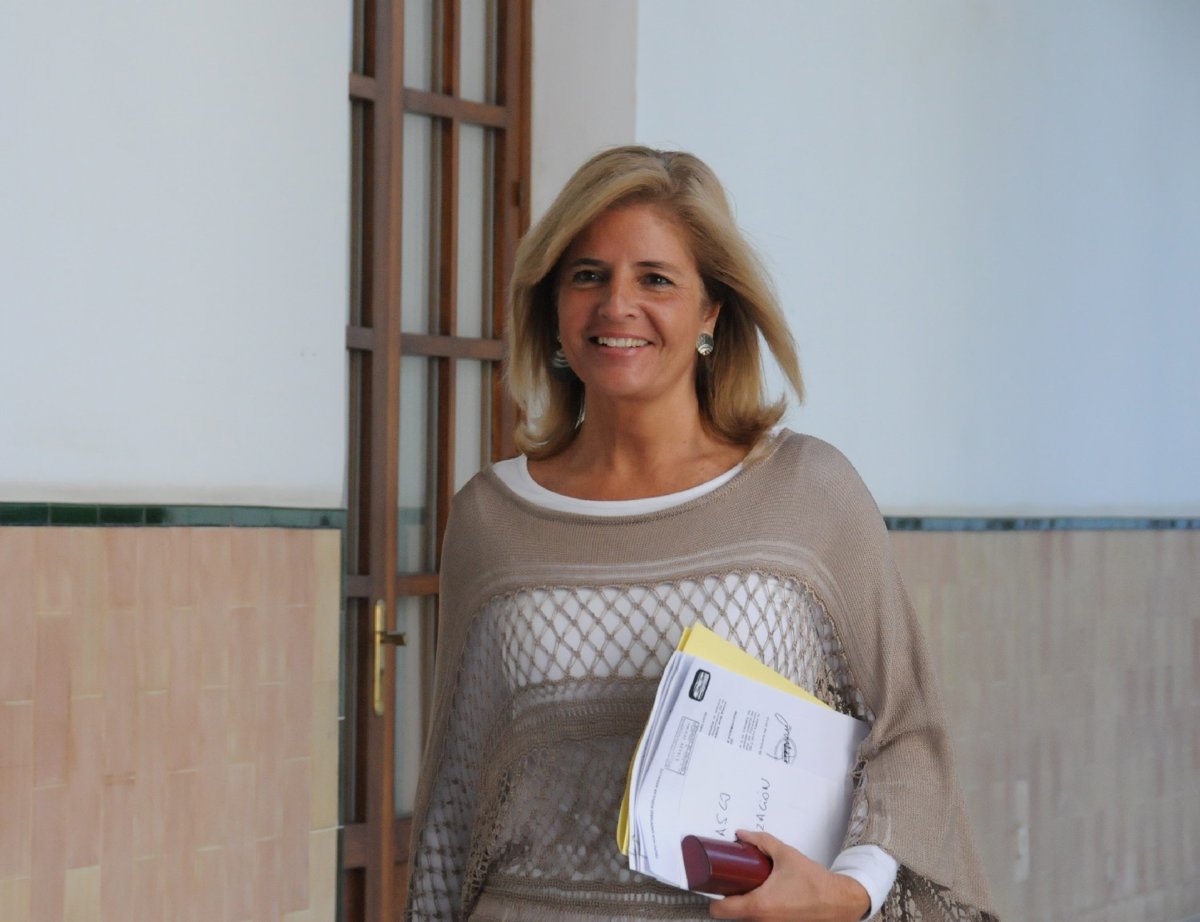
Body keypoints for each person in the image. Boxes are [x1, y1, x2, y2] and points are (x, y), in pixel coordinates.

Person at [405, 146, 997, 922]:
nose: (617, 304)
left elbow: (906, 733)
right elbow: (455, 799)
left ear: (711, 309)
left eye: (655, 279)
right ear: (552, 304)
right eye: (587, 275)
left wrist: (846, 892)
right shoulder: (491, 516)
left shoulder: (809, 493)